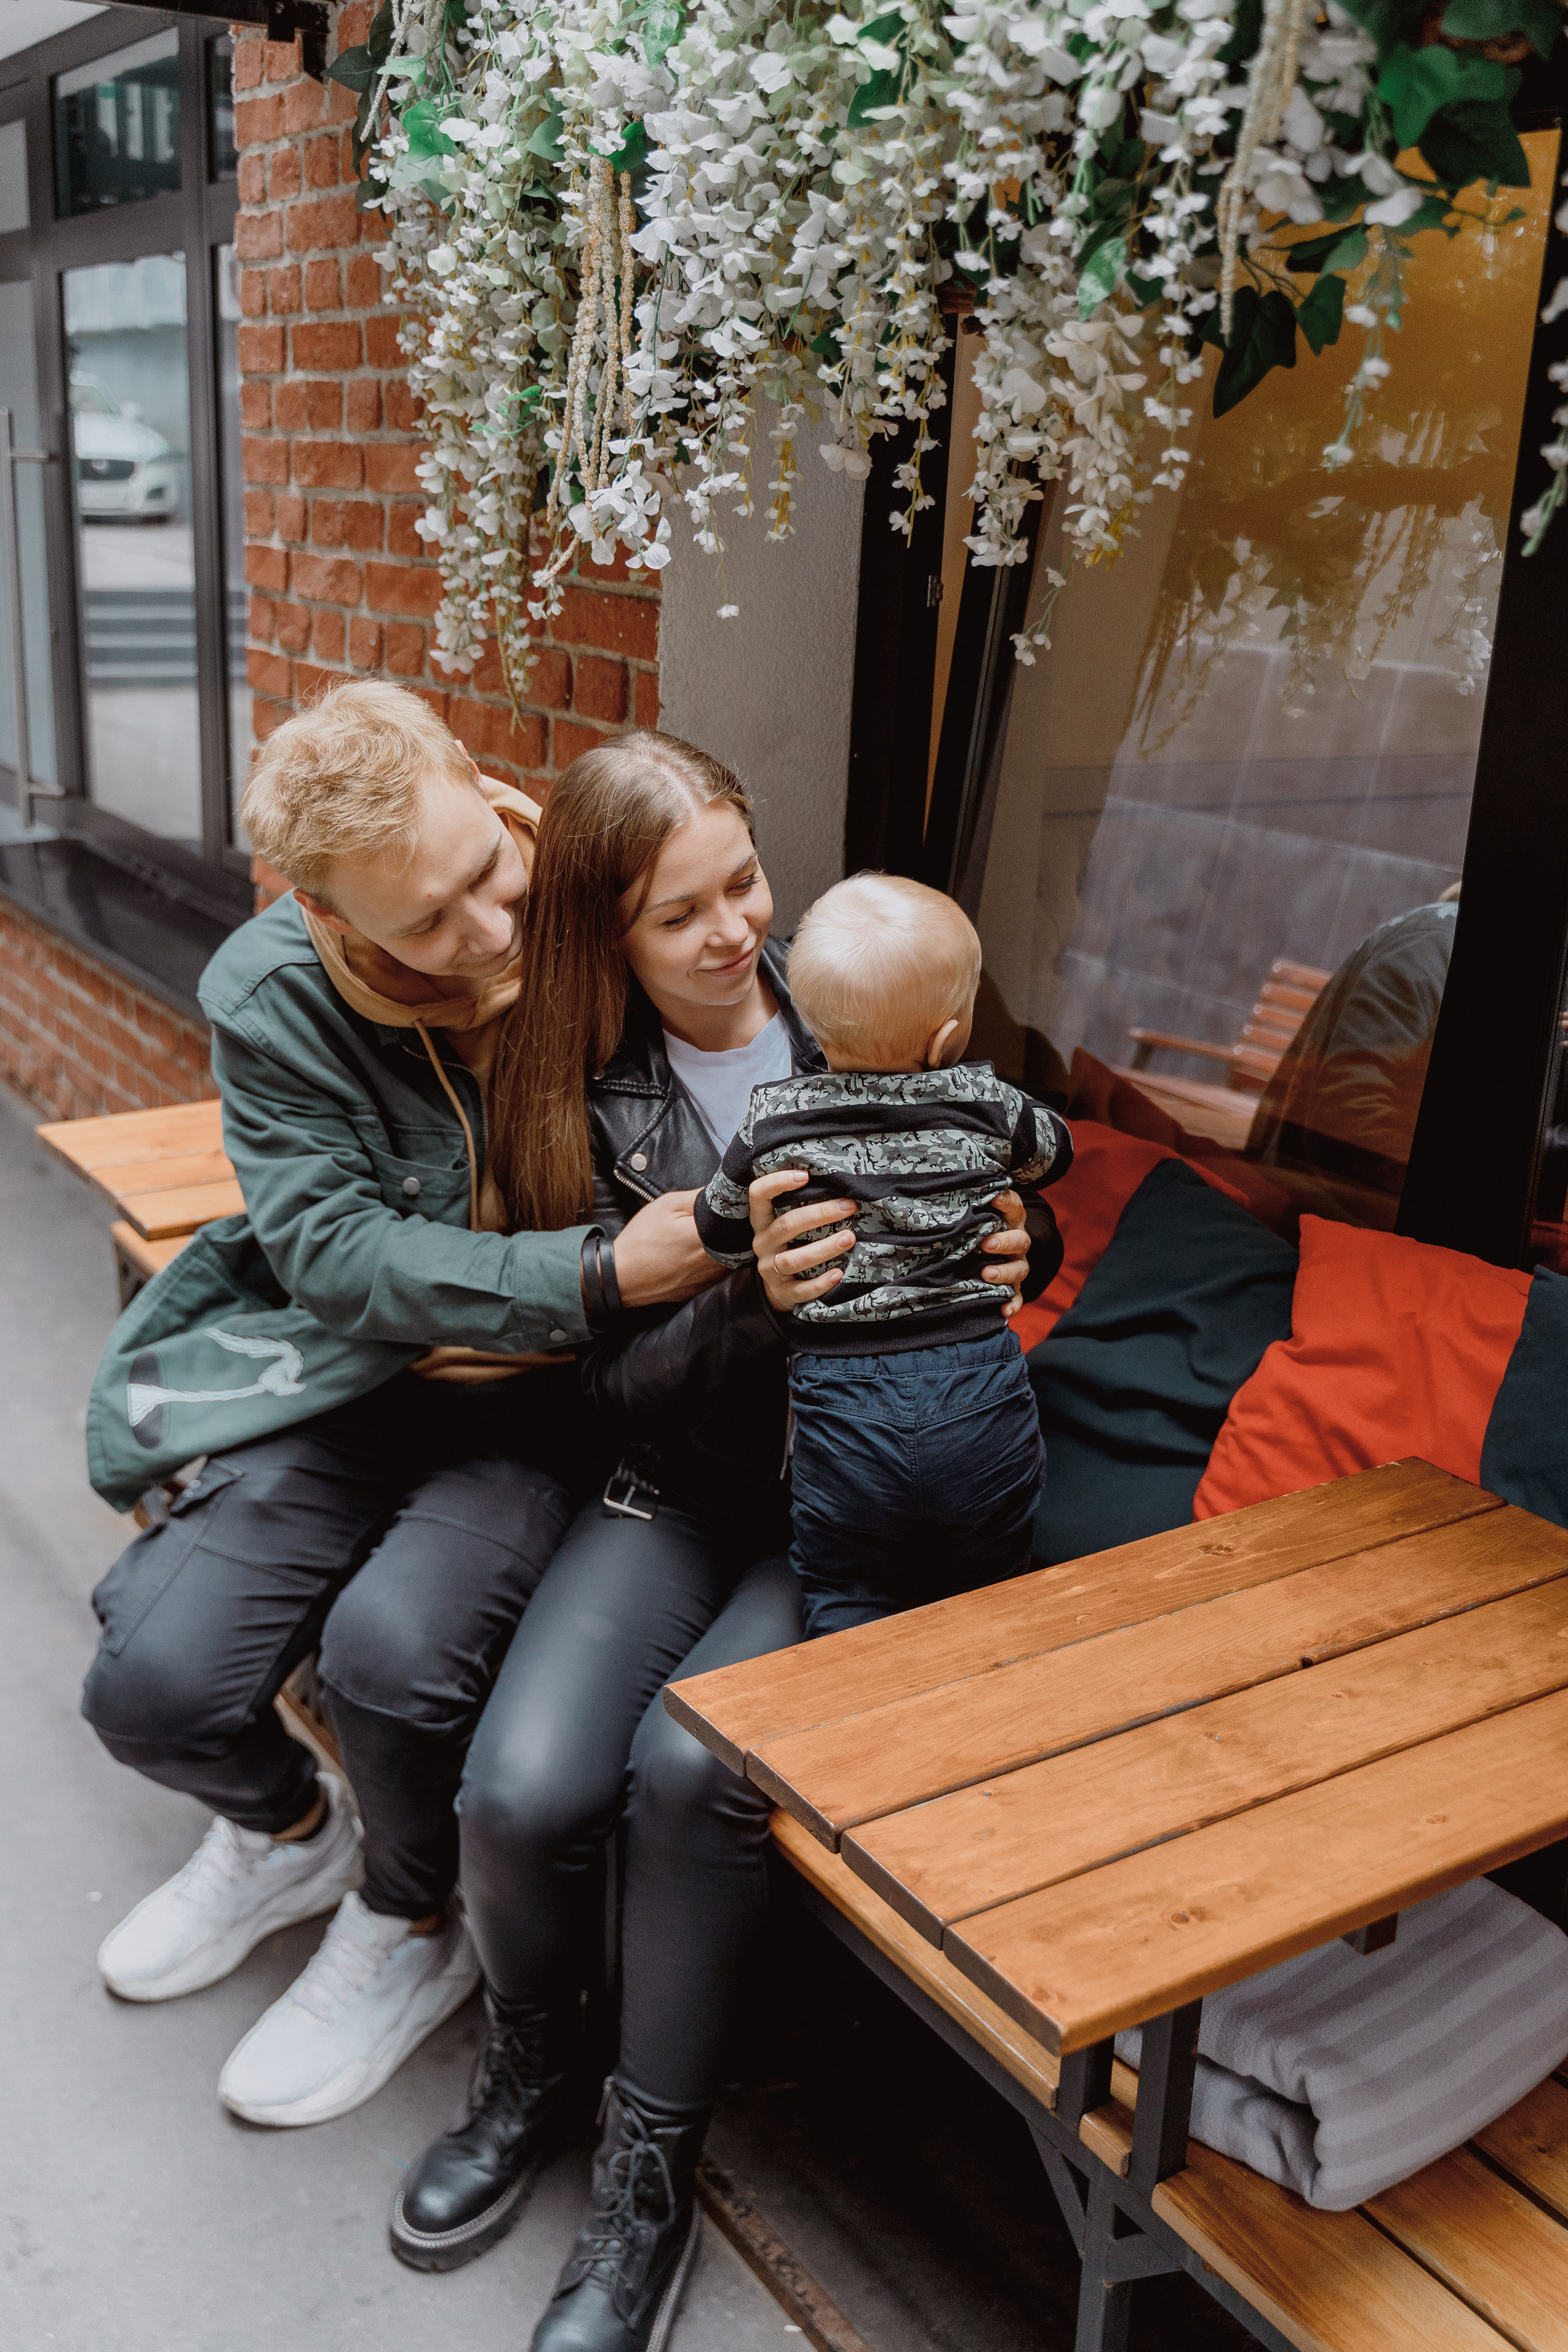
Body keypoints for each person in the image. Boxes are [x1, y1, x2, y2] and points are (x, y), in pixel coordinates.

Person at [389, 734, 1041, 2350]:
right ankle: (537, 2067)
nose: (733, 928)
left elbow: (1006, 1185)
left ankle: (647, 2176)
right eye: (677, 912)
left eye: (742, 880)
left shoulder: (873, 985)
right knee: (524, 1789)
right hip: (680, 1486)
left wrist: (1019, 1240)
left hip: (858, 1499)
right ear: (608, 936)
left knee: (693, 1773)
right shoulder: (576, 1097)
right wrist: (749, 1291)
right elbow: (599, 1374)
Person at [80, 683, 712, 2131]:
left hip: (544, 1411)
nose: (487, 931)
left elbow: (769, 1003)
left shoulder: (594, 891)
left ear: (481, 780)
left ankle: (406, 1916)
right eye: (422, 924)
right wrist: (598, 1267)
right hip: (349, 1371)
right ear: (334, 919)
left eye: (488, 868)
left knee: (389, 1653)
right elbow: (335, 1255)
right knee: (152, 1685)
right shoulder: (271, 990)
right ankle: (285, 1833)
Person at [696, 872, 1071, 1637]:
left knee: (847, 1594)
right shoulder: (984, 1100)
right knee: (990, 1597)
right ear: (948, 1035)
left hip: (842, 1406)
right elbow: (1053, 1157)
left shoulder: (775, 1120)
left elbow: (718, 1230)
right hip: (976, 1392)